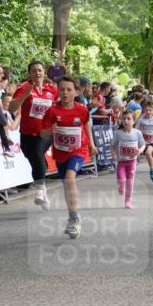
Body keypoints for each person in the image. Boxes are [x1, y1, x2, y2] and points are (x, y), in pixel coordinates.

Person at [39, 76, 96, 238]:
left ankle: (74, 219)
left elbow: (86, 123)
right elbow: (42, 133)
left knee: (70, 179)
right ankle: (72, 215)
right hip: (60, 152)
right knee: (66, 184)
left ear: (76, 92)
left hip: (78, 149)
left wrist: (91, 143)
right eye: (62, 89)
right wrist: (50, 131)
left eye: (69, 89)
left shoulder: (82, 109)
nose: (65, 92)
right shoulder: (52, 111)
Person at [9, 60, 58, 210]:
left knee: (37, 153)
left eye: (39, 70)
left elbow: (61, 104)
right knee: (36, 161)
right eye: (34, 70)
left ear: (44, 72)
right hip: (27, 133)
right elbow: (11, 108)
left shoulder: (52, 89)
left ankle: (39, 190)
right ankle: (43, 191)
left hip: (45, 132)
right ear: (29, 74)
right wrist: (26, 94)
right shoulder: (24, 88)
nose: (37, 73)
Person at [111, 110, 145, 209]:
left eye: (129, 119)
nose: (126, 121)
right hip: (121, 162)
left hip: (132, 162)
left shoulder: (137, 133)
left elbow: (143, 144)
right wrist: (114, 154)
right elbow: (112, 145)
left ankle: (128, 201)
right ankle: (121, 186)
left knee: (130, 182)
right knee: (122, 181)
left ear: (134, 121)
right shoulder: (118, 133)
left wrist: (139, 151)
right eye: (124, 119)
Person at [137, 97, 153, 182]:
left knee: (150, 153)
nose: (148, 112)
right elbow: (136, 130)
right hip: (144, 142)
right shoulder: (141, 119)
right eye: (146, 110)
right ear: (143, 110)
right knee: (149, 154)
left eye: (150, 110)